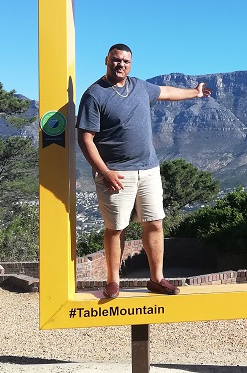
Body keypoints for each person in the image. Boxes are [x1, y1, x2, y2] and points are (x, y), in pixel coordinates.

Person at [76, 43, 212, 298]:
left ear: (131, 64)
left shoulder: (139, 87)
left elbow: (166, 91)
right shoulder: (94, 95)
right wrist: (105, 172)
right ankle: (113, 281)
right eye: (116, 60)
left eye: (126, 61)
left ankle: (157, 279)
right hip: (116, 173)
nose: (121, 65)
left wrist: (194, 93)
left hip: (148, 170)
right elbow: (85, 139)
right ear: (106, 60)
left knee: (155, 223)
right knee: (116, 228)